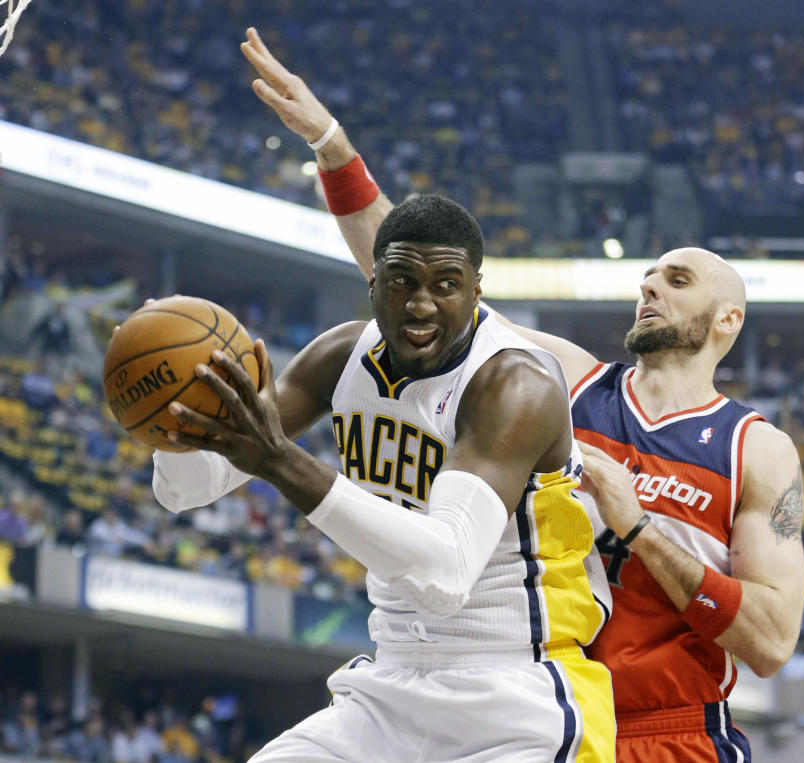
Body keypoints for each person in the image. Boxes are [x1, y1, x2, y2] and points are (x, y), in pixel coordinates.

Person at [238, 27, 804, 761]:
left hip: (676, 729)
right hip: (545, 707)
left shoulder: (755, 447)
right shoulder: (562, 381)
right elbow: (417, 288)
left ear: (729, 318)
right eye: (649, 276)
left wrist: (640, 532)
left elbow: (769, 639)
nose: (650, 285)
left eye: (677, 278)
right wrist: (332, 146)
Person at [150, 191, 615, 760]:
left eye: (446, 284)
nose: (421, 305)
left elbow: (445, 574)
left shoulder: (515, 384)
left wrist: (281, 461)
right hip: (388, 683)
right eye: (401, 282)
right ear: (372, 284)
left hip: (516, 691)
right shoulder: (341, 355)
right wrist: (169, 415)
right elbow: (186, 489)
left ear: (476, 292)